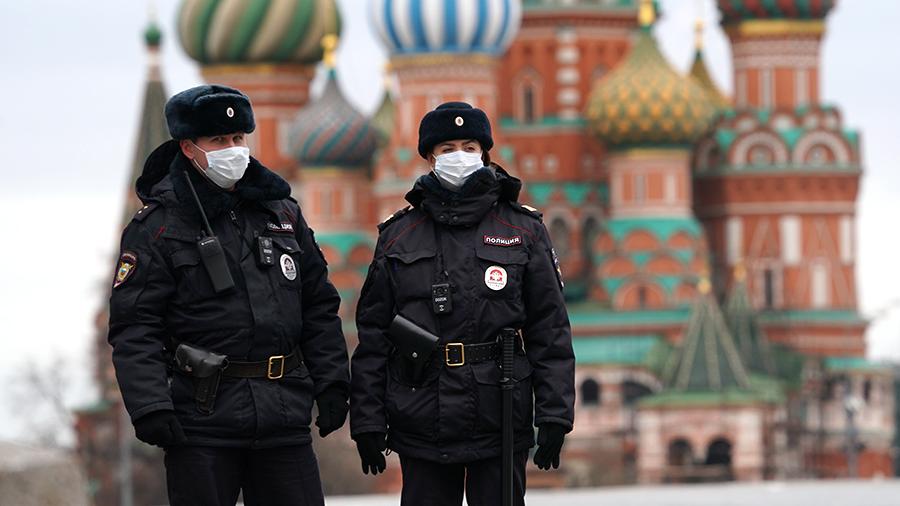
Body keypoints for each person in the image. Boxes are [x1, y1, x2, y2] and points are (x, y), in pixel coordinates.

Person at [108, 84, 349, 506]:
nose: (233, 149)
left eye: (238, 138)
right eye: (218, 140)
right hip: (202, 422)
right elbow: (135, 326)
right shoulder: (158, 227)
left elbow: (318, 306)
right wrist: (151, 405)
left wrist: (332, 382)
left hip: (283, 417)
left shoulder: (282, 213)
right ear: (188, 148)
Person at [349, 102, 575, 505]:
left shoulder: (522, 230)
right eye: (448, 148)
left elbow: (549, 329)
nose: (460, 156)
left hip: (499, 410)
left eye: (469, 147)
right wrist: (367, 419)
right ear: (430, 157)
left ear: (484, 153)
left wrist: (555, 414)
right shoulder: (399, 235)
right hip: (422, 412)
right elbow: (374, 336)